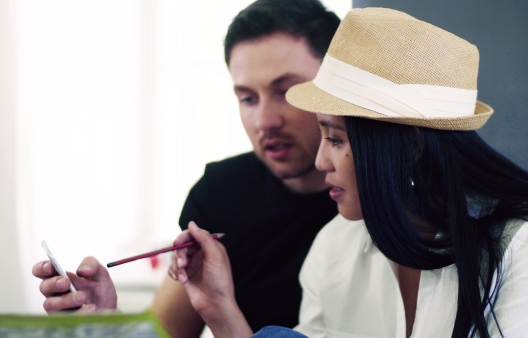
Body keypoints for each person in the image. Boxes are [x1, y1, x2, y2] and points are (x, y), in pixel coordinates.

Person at [168, 7, 528, 337]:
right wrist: (221, 311)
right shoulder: (334, 246)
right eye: (247, 97)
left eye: (336, 140)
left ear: (409, 147)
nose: (321, 162)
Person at [31, 0, 340, 336]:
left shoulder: (374, 204)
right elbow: (166, 332)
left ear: (338, 87)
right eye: (248, 98)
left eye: (286, 91)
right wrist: (106, 321)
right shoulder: (220, 192)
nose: (265, 121)